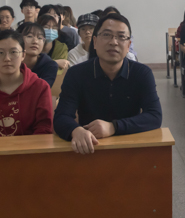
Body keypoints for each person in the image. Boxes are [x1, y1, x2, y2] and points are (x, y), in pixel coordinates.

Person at [53, 13, 162, 154]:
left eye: (121, 37)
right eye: (106, 35)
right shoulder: (76, 74)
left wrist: (113, 127)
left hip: (130, 148)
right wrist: (75, 130)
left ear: (128, 45)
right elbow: (61, 116)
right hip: (89, 149)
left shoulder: (142, 73)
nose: (114, 42)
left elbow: (154, 116)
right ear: (95, 42)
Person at [0, 30, 53, 137]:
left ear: (23, 55)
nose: (7, 59)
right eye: (0, 53)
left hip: (32, 147)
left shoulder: (40, 87)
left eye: (13, 52)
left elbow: (44, 128)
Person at [18, 22, 59, 88]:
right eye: (29, 36)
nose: (35, 41)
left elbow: (42, 90)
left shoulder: (49, 65)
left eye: (40, 38)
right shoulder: (10, 61)